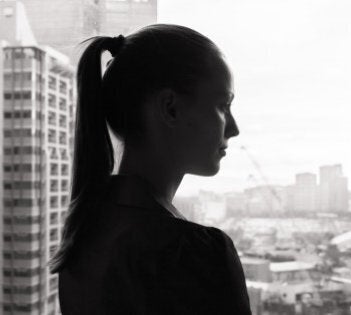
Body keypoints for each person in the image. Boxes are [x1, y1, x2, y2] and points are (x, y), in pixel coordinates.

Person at [50, 24, 250, 314]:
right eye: (224, 105)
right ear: (170, 108)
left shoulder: (84, 236)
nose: (234, 128)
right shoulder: (191, 252)